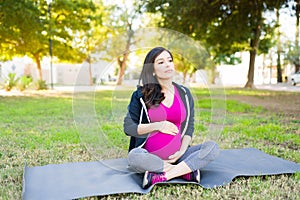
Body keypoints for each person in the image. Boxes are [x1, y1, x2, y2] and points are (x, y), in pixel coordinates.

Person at [123, 47, 220, 189]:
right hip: (149, 156)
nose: (168, 64)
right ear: (152, 70)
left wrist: (182, 150)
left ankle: (165, 175)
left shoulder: (184, 93)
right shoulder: (140, 95)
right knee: (134, 157)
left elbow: (189, 126)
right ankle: (185, 171)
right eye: (161, 62)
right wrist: (158, 125)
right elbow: (129, 127)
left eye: (170, 60)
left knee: (212, 148)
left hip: (180, 155)